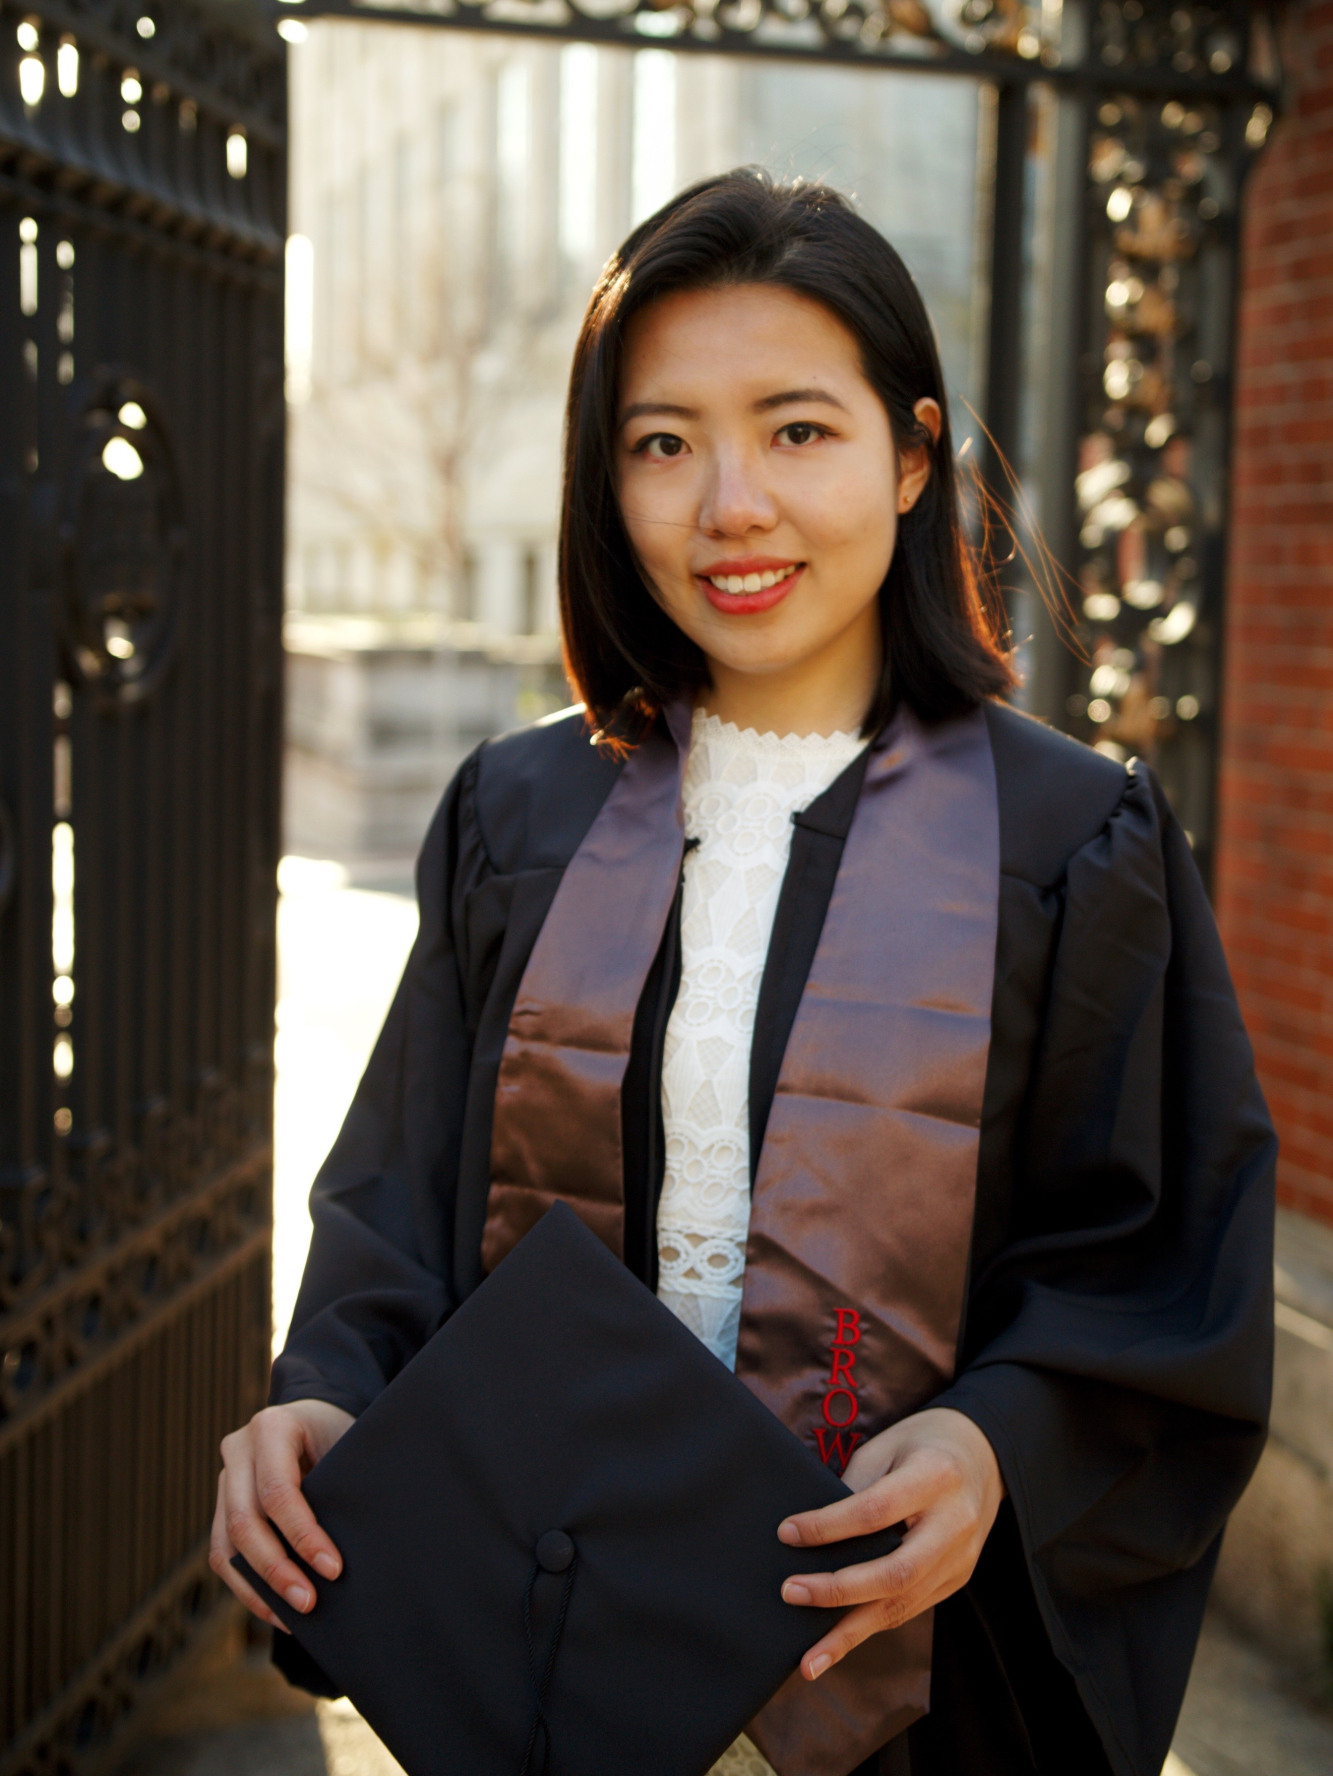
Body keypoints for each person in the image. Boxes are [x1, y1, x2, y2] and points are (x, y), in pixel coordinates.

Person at [212, 172, 1275, 1776]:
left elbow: (1152, 1263)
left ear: (912, 455)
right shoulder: (521, 816)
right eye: (662, 442)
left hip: (913, 1675)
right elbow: (396, 1200)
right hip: (545, 1638)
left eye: (797, 430)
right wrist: (326, 1395)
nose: (729, 507)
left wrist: (996, 1447)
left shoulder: (1068, 844)